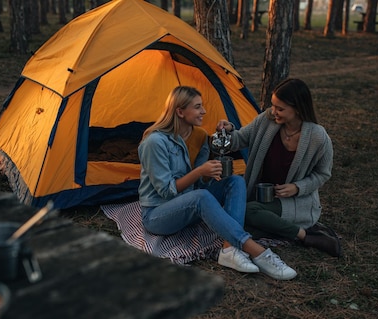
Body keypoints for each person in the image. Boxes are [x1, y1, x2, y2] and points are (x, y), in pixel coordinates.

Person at [138, 86, 297, 280]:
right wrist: (199, 171)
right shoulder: (155, 142)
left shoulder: (199, 136)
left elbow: (201, 182)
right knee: (201, 197)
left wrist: (222, 138)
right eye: (197, 107)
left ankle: (229, 249)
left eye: (202, 106)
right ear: (180, 111)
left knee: (235, 181)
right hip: (158, 214)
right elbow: (166, 191)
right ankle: (257, 251)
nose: (204, 111)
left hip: (189, 205)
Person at [216, 78, 341, 257]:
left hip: (294, 202)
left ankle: (306, 236)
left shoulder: (318, 137)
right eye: (273, 105)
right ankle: (281, 229)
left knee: (246, 214)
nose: (273, 111)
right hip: (260, 195)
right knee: (235, 217)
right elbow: (239, 139)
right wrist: (226, 132)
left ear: (297, 108)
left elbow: (323, 173)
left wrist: (297, 187)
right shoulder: (267, 121)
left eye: (280, 108)